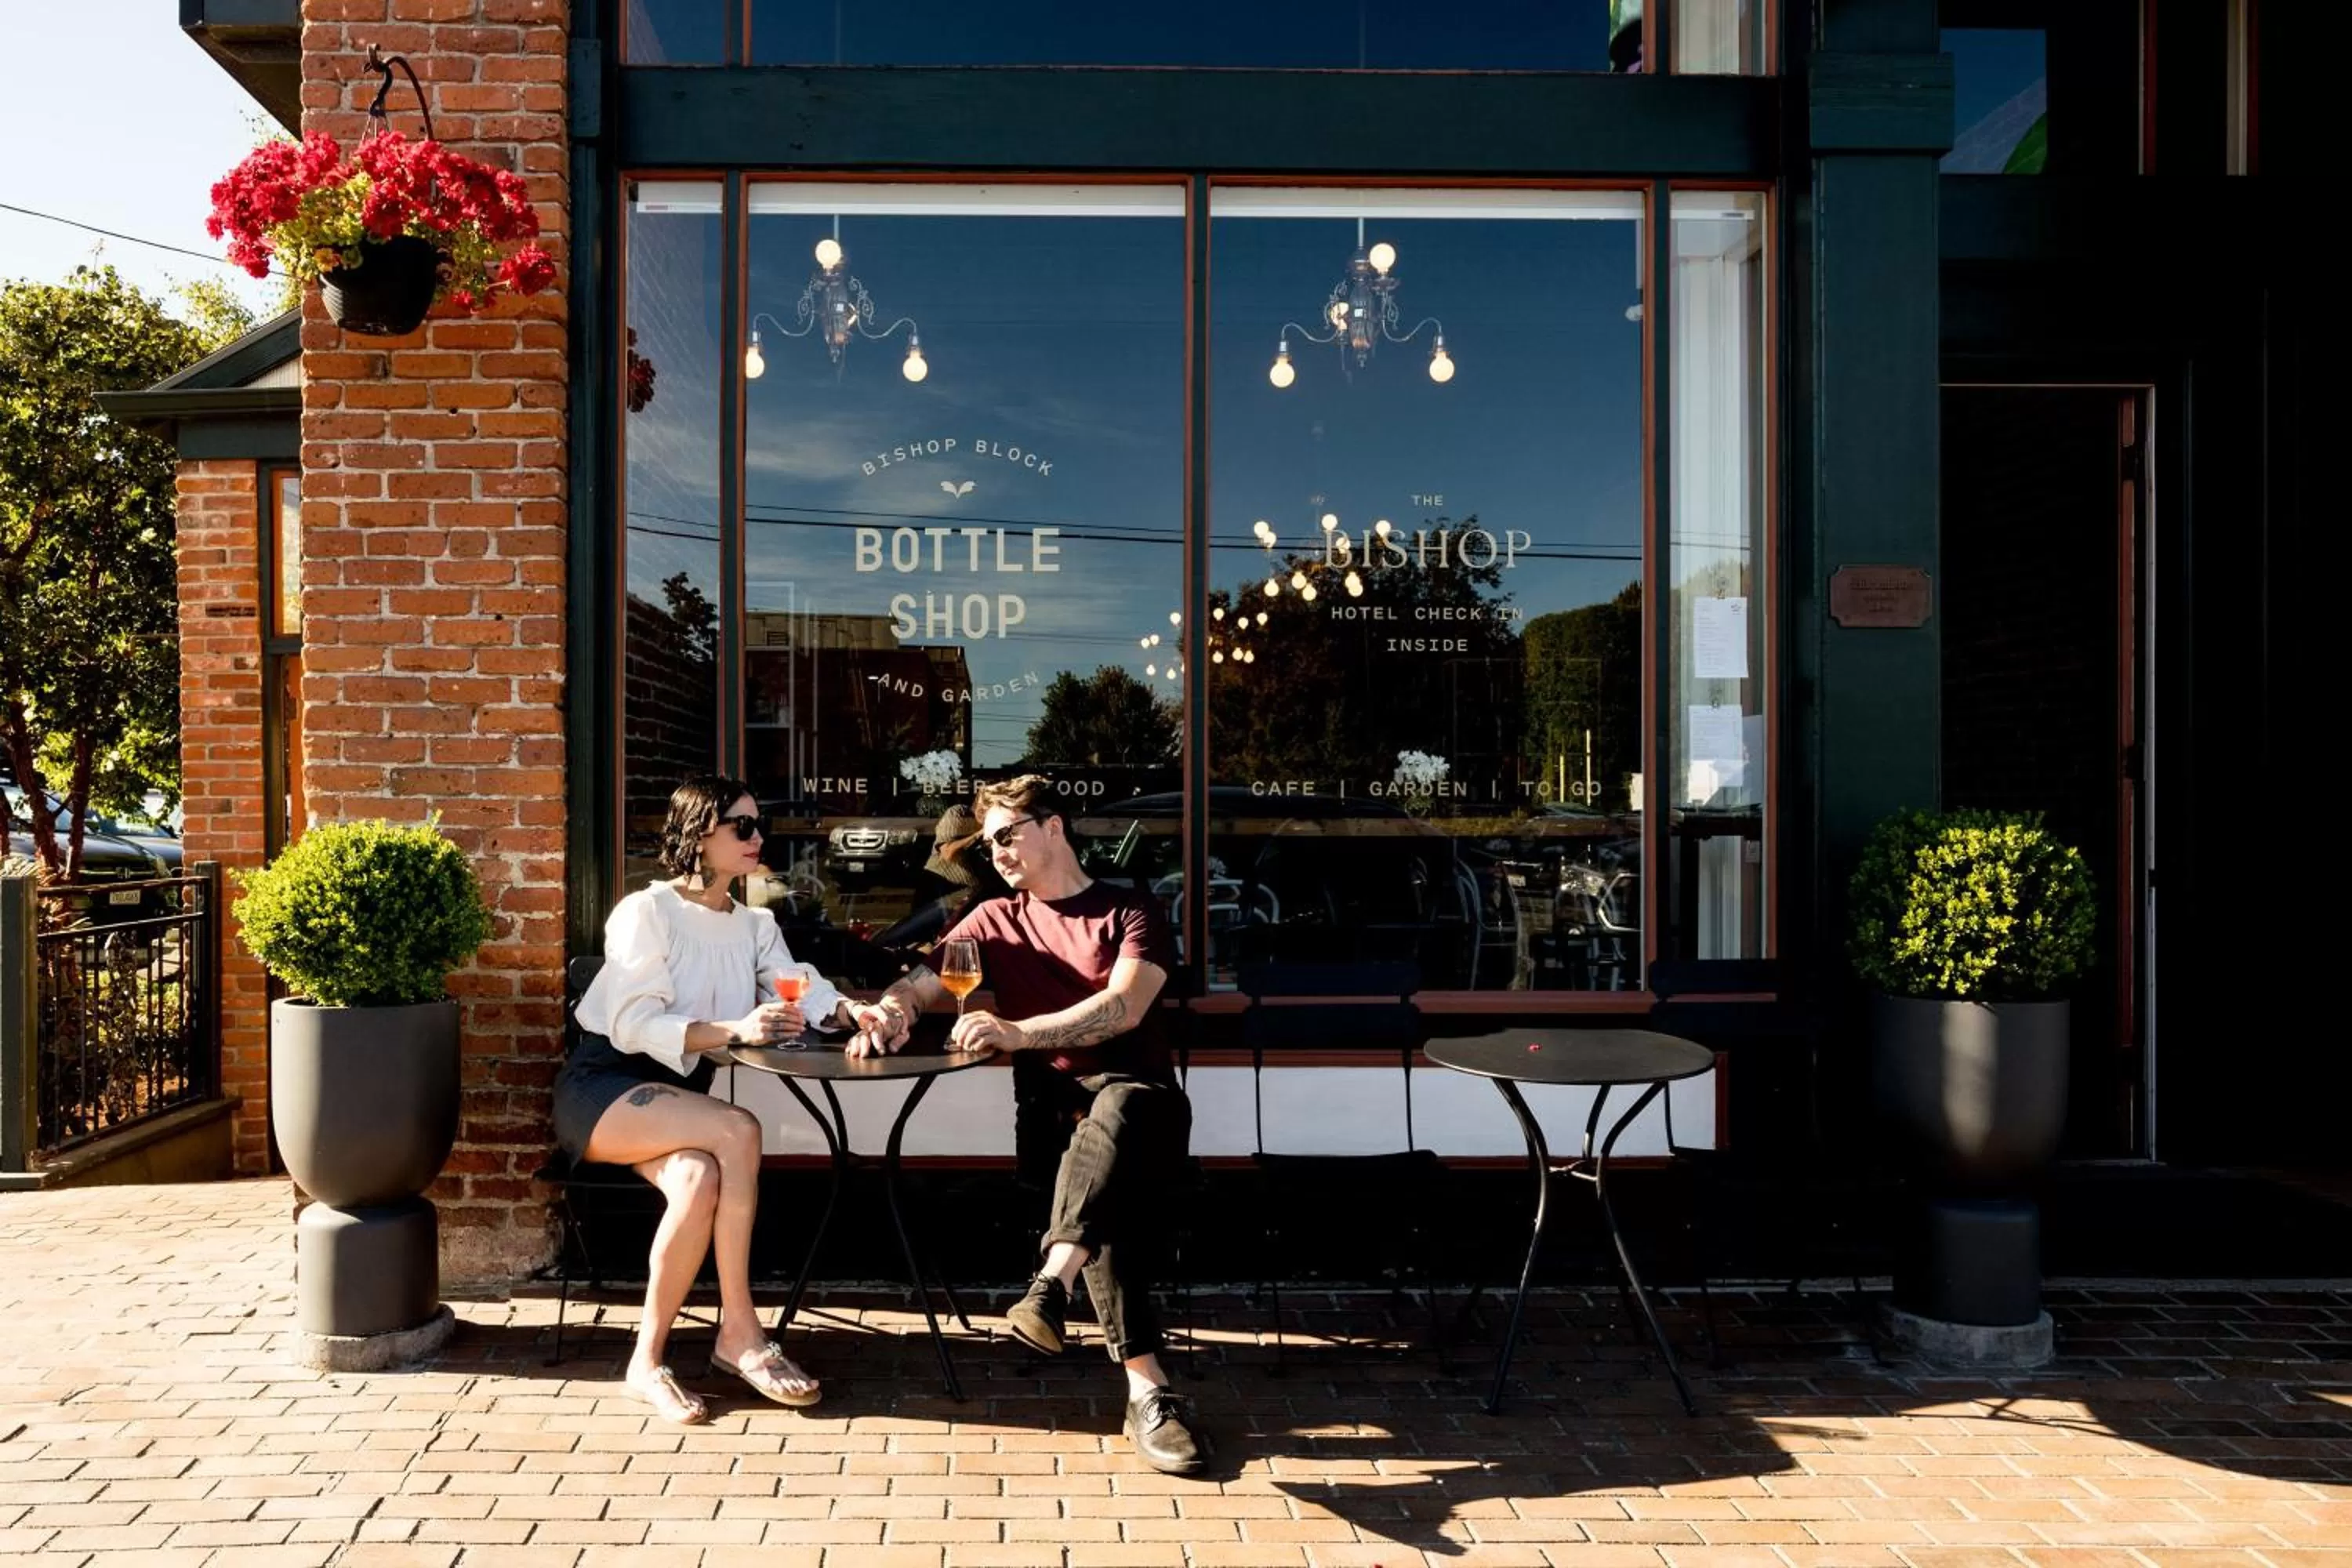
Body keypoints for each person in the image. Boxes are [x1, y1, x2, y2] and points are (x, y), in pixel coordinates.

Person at [854, 775, 1207, 1475]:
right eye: (988, 844)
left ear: (1054, 825)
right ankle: (1145, 1388)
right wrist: (890, 1011)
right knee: (1106, 1195)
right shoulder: (992, 918)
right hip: (1055, 1117)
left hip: (1146, 1104)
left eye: (1008, 834)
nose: (998, 852)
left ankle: (1052, 1288)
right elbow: (923, 985)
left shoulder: (1129, 910)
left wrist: (1018, 1032)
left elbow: (1123, 1010)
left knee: (1123, 1113)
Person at [555, 775, 900, 1424]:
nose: (757, 837)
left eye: (757, 825)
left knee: (699, 1176)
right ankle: (740, 1332)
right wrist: (738, 1029)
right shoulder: (646, 912)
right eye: (741, 827)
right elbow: (632, 1024)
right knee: (739, 1130)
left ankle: (646, 1361)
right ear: (697, 833)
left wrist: (857, 1010)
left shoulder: (755, 923)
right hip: (605, 1089)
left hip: (682, 1100)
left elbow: (803, 988)